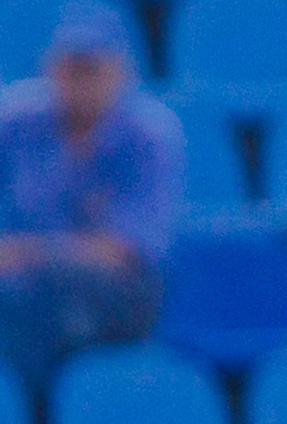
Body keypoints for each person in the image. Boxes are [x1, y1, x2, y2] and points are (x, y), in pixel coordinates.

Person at [0, 3, 178, 383]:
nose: (79, 80)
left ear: (121, 71)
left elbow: (126, 253)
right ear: (51, 67)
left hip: (110, 293)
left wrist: (31, 253)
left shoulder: (148, 136)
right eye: (70, 66)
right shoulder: (14, 123)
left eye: (92, 68)